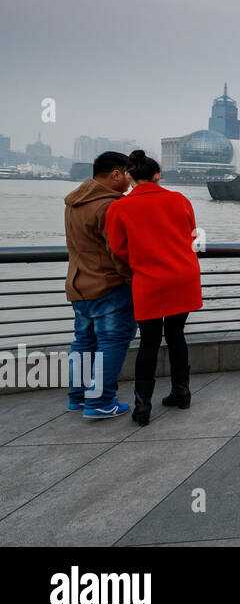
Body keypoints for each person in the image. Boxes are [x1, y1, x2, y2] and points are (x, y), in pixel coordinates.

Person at [106, 150, 203, 426]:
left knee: (149, 342)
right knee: (176, 335)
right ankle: (181, 393)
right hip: (184, 278)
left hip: (148, 281)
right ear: (157, 175)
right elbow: (192, 233)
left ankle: (142, 407)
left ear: (129, 176)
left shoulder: (119, 208)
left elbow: (118, 249)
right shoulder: (179, 199)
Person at [64, 151, 137, 419]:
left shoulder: (74, 202)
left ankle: (78, 397)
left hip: (78, 285)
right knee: (112, 343)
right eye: (127, 176)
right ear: (116, 174)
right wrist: (129, 278)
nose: (129, 184)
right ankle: (101, 402)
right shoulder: (110, 206)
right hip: (109, 287)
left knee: (83, 342)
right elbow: (118, 251)